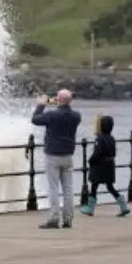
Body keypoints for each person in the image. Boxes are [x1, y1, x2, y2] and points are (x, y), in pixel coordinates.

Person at [31, 88, 81, 229]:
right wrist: (59, 101)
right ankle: (68, 219)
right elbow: (64, 108)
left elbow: (35, 119)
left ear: (58, 100)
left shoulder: (52, 115)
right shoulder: (76, 116)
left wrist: (41, 104)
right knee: (68, 189)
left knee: (53, 188)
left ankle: (54, 218)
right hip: (68, 155)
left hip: (52, 155)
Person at [81, 115, 130, 217]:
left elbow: (97, 153)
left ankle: (90, 208)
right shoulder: (112, 138)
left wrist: (90, 161)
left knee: (94, 186)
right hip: (110, 165)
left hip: (99, 166)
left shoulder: (99, 139)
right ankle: (123, 205)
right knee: (110, 186)